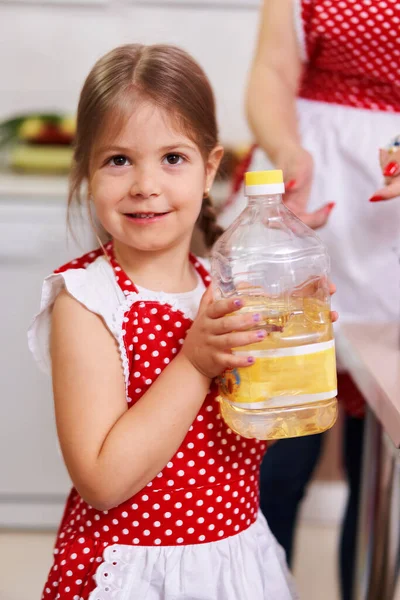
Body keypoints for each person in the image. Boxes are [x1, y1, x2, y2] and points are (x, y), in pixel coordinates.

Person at [27, 44, 301, 600]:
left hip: (233, 561)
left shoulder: (220, 287)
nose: (145, 183)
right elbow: (102, 482)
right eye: (119, 159)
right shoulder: (87, 300)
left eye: (172, 158)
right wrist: (196, 362)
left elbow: (251, 432)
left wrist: (293, 341)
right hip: (134, 572)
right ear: (86, 169)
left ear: (210, 169)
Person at [218, 2, 400, 600]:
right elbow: (271, 72)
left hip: (389, 203)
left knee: (386, 467)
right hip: (308, 180)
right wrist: (286, 149)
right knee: (279, 435)